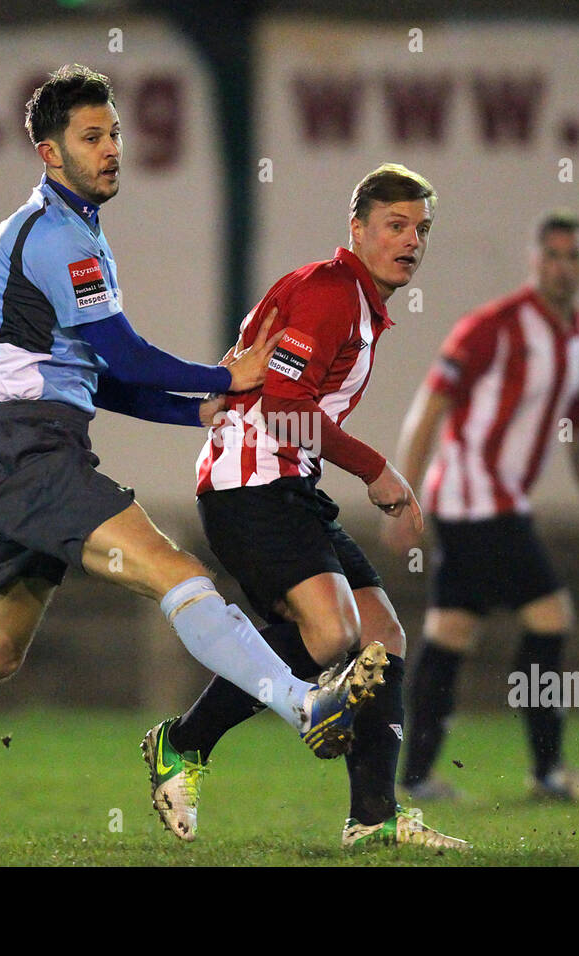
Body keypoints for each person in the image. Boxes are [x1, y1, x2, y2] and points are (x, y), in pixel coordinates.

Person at [0, 64, 386, 840]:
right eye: (92, 137)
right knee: (178, 573)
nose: (111, 150)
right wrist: (222, 374)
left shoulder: (73, 233)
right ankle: (302, 704)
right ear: (49, 152)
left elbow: (96, 377)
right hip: (29, 453)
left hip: (26, 452)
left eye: (116, 135)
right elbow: (125, 355)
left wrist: (196, 407)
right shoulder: (57, 236)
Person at [141, 164, 469, 850]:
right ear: (357, 229)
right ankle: (186, 741)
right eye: (395, 226)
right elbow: (286, 409)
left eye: (421, 230)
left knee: (380, 637)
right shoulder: (330, 292)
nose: (411, 241)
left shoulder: (350, 299)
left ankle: (374, 820)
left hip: (288, 485)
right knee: (330, 637)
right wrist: (377, 470)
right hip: (249, 486)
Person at [387, 210, 579, 804]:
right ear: (533, 259)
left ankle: (414, 776)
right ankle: (547, 771)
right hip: (473, 497)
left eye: (573, 256)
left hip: (496, 501)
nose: (562, 266)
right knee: (552, 615)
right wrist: (401, 496)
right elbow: (429, 409)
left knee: (452, 629)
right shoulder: (493, 326)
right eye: (552, 254)